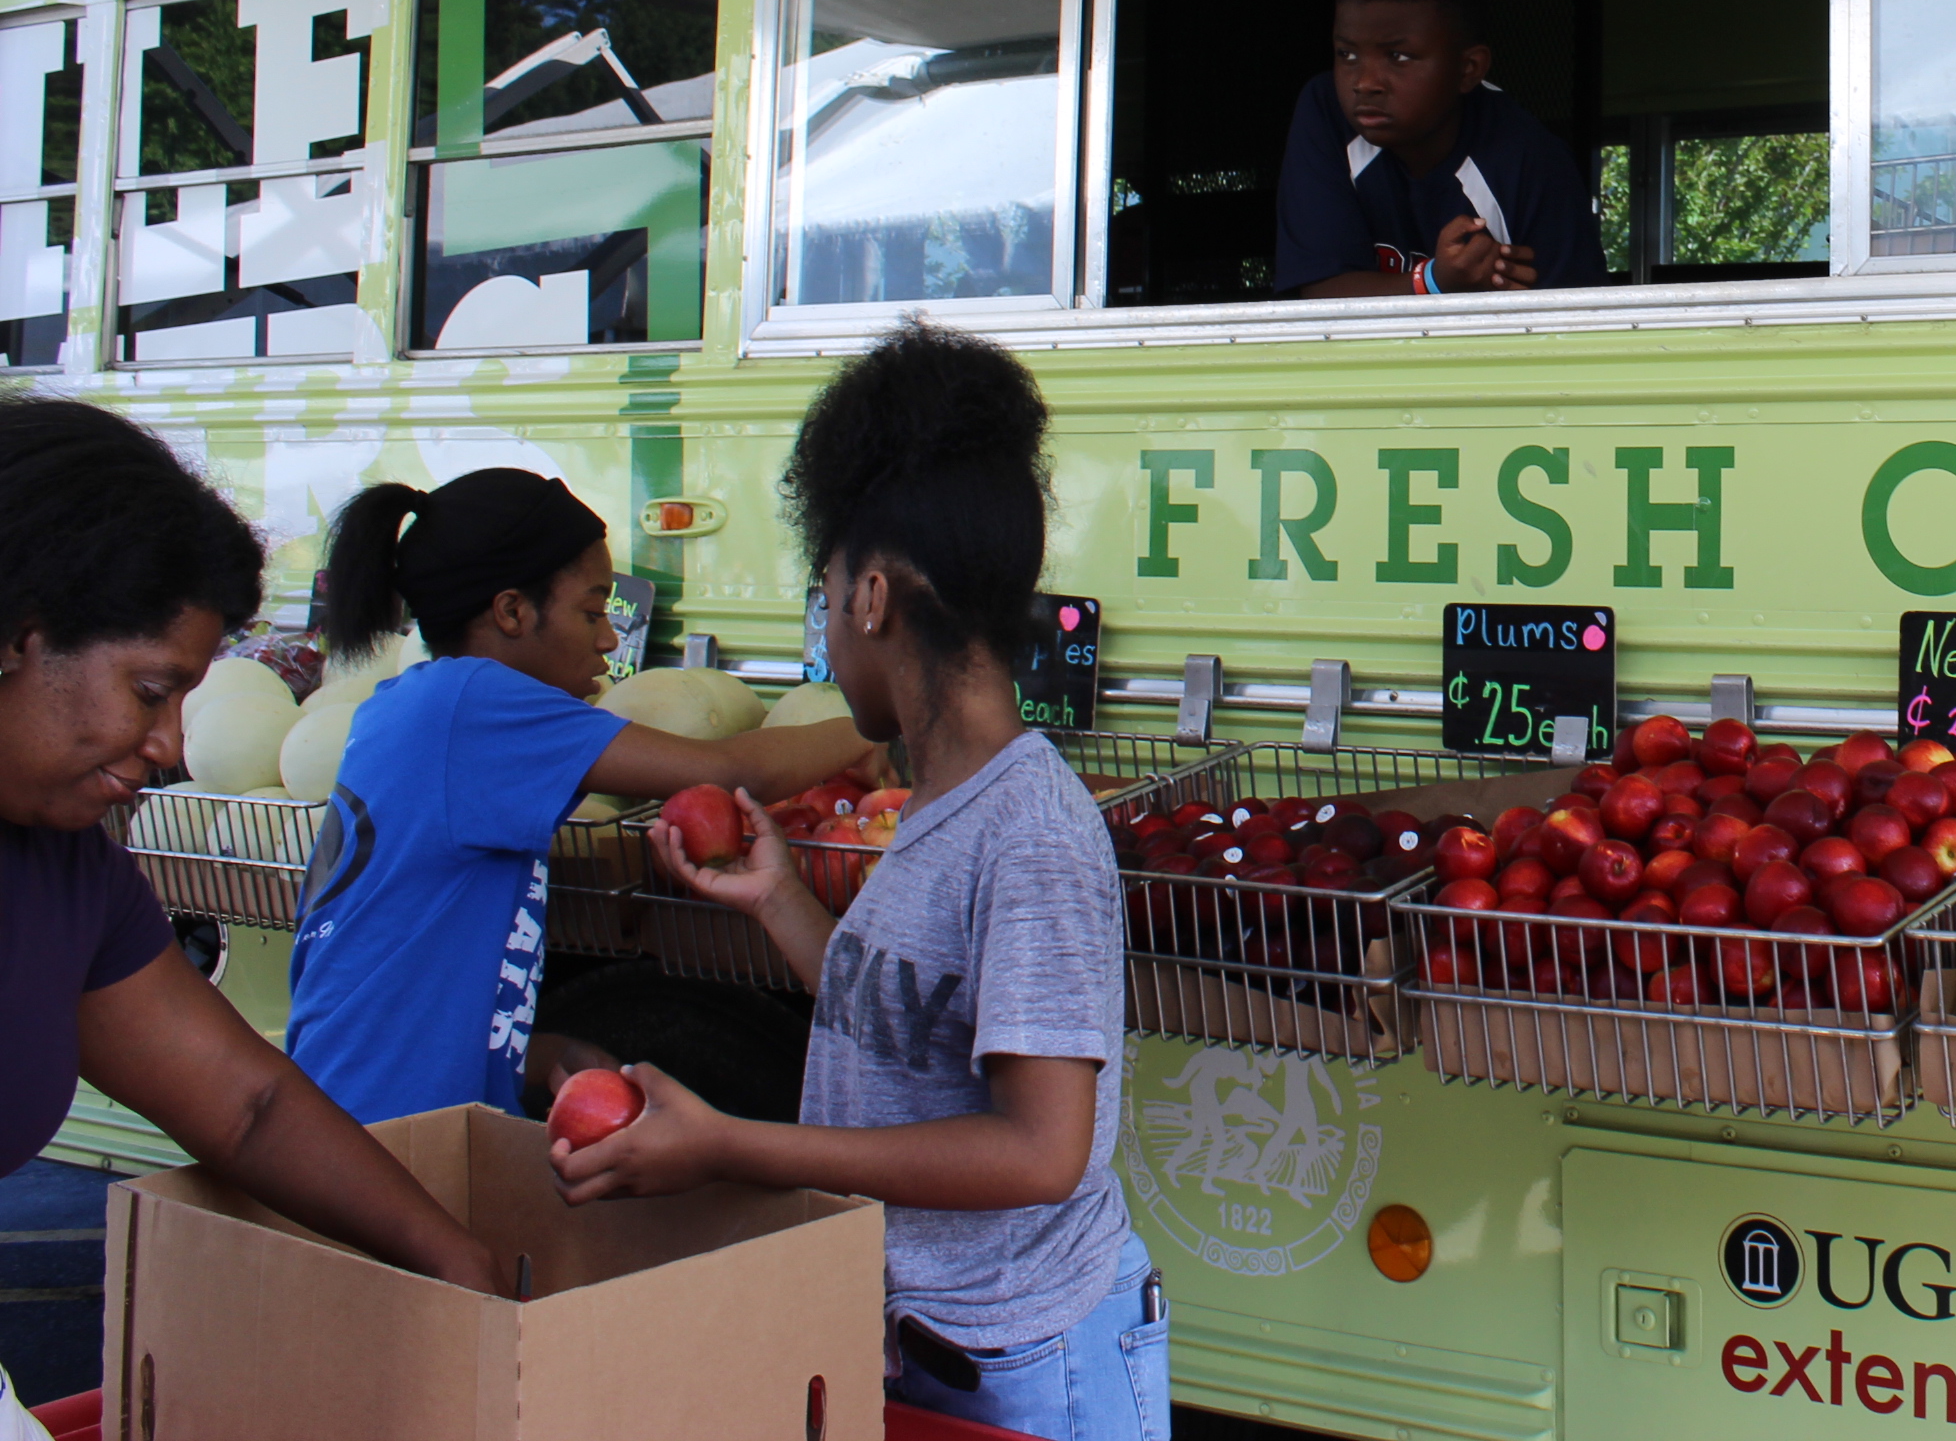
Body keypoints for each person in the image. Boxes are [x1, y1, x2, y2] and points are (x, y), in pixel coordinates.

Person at [551, 320, 1157, 1441]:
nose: (828, 627)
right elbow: (915, 1032)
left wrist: (731, 1144)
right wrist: (780, 900)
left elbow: (1040, 1148)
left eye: (827, 594)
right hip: (933, 1343)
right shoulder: (938, 795)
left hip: (1024, 1368)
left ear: (873, 597)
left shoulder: (1028, 831)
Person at [0, 400, 497, 1430]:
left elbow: (245, 1105)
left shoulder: (64, 867)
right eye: (148, 691)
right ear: (15, 638)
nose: (169, 742)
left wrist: (454, 1258)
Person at [284, 469, 887, 1126]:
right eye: (592, 611)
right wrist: (870, 729)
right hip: (386, 1128)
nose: (607, 638)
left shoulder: (421, 705)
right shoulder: (475, 703)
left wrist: (540, 1053)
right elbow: (729, 767)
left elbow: (412, 973)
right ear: (512, 611)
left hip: (366, 1103)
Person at [1273, 0, 1598, 297]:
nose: (1365, 82)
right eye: (1347, 53)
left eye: (1398, 56)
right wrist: (1432, 283)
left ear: (1468, 69)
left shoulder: (1530, 161)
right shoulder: (1326, 111)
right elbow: (1317, 296)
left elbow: (1574, 325)